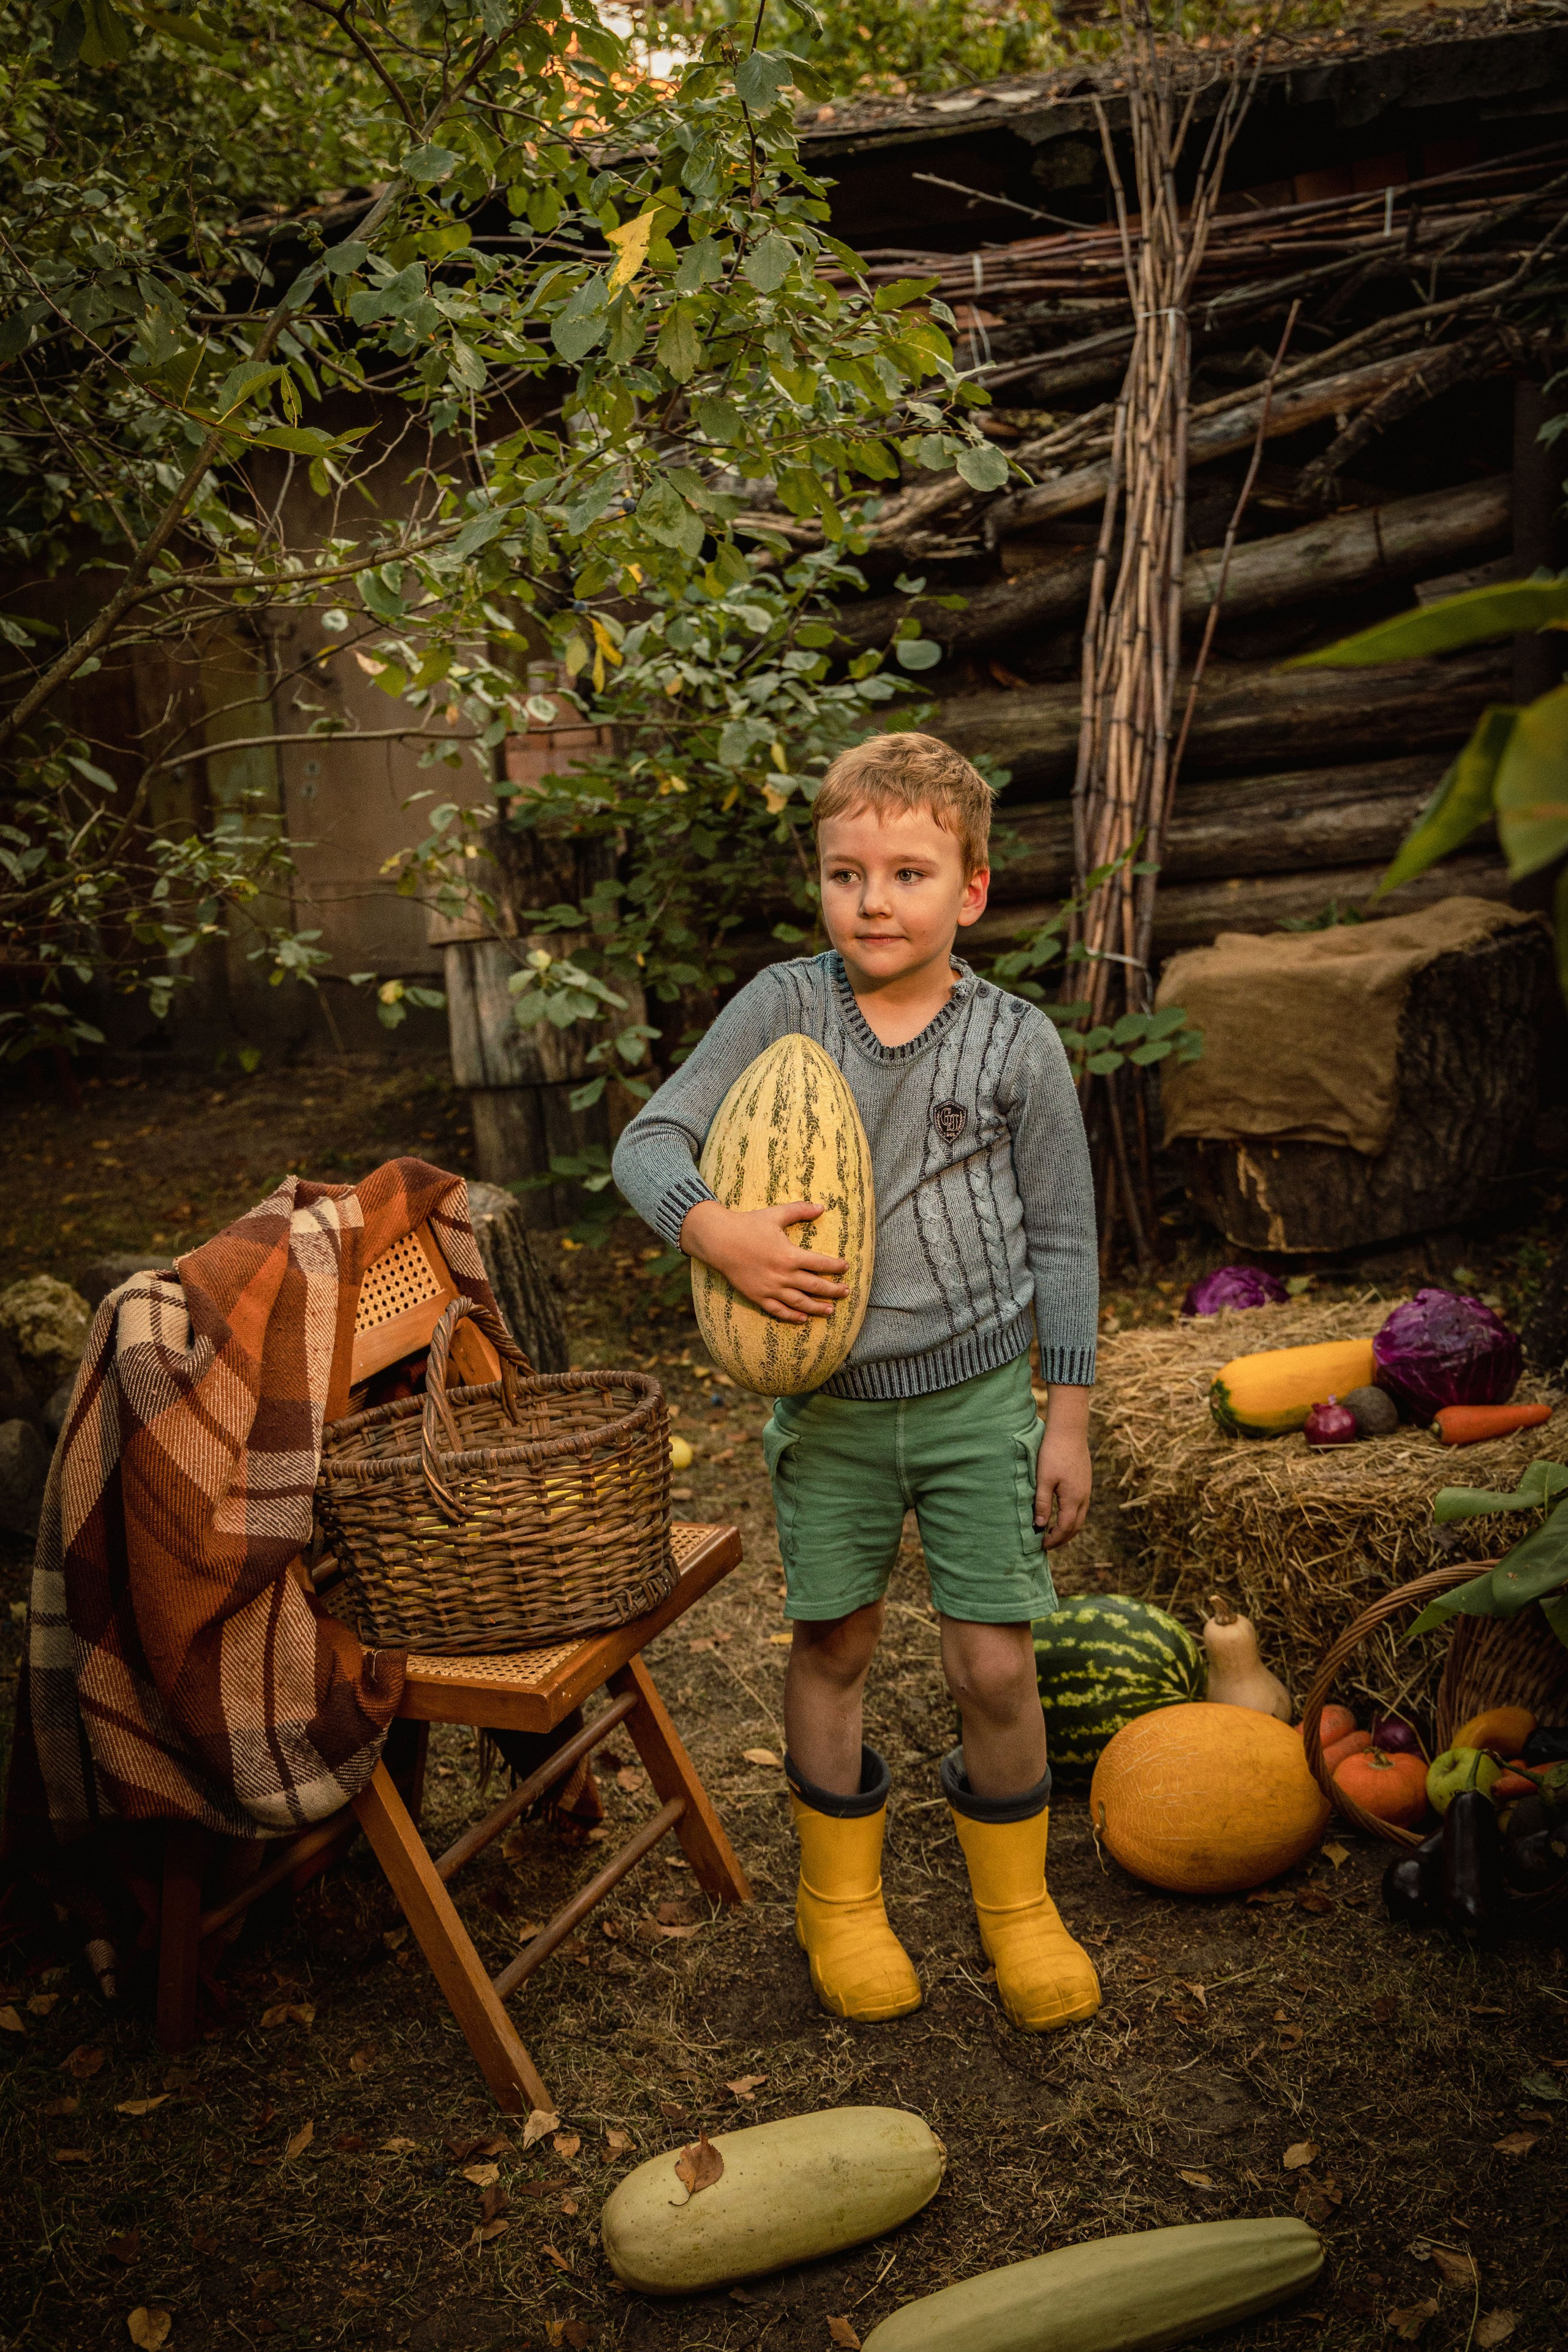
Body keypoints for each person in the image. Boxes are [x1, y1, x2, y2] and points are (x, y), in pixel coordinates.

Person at [611, 731, 1101, 2033]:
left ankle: (1016, 1910)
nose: (872, 902)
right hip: (826, 1413)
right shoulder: (781, 1007)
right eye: (844, 873)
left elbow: (1061, 1238)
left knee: (991, 1666)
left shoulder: (1015, 1044)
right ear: (817, 881)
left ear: (971, 891)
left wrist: (1068, 1417)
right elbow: (648, 1139)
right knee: (833, 1642)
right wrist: (711, 1226)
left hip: (979, 1404)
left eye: (906, 873)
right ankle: (837, 1906)